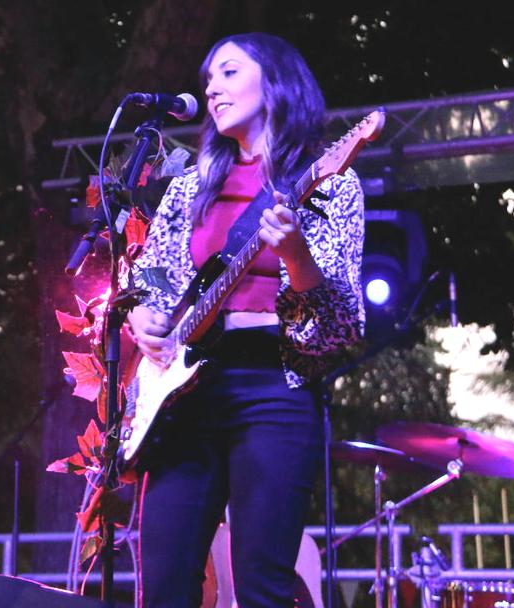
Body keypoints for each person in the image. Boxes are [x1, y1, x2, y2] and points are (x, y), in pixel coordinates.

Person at [127, 33, 364, 607]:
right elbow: (151, 277)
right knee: (165, 586)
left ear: (275, 83)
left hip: (273, 390)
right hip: (185, 394)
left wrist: (297, 257)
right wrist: (142, 315)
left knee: (261, 586)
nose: (211, 88)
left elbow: (342, 327)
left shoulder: (331, 184)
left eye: (229, 72)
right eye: (209, 78)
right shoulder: (188, 189)